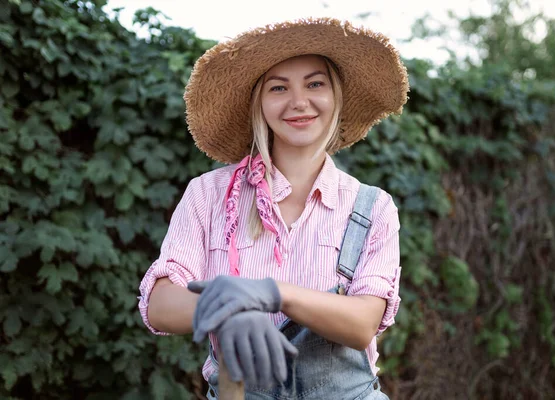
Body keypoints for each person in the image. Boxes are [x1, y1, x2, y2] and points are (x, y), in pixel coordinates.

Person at [138, 18, 409, 399]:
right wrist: (225, 312)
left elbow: (363, 322)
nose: (299, 101)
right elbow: (159, 303)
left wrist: (273, 293)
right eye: (278, 87)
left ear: (336, 96)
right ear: (259, 103)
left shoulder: (373, 207)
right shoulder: (208, 195)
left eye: (315, 84)